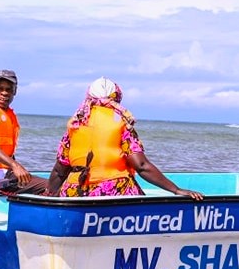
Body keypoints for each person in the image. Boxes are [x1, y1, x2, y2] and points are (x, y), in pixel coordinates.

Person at [45, 77, 203, 200]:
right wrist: (176, 190)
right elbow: (141, 166)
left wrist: (49, 196)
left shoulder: (75, 124)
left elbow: (60, 170)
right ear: (116, 96)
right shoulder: (121, 122)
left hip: (75, 192)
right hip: (113, 191)